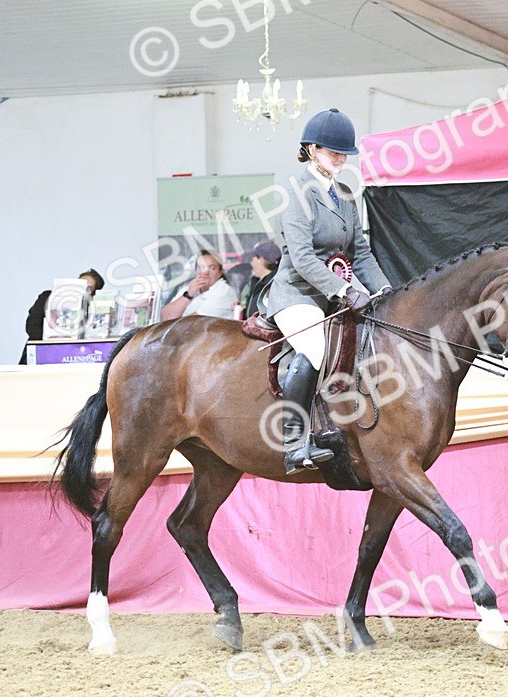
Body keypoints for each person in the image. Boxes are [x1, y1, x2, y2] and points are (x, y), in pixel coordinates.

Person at [267, 107, 393, 474]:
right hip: (298, 293)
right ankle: (293, 441)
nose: (340, 159)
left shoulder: (345, 196)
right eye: (332, 151)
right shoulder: (295, 193)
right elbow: (303, 259)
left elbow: (362, 253)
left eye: (344, 153)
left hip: (337, 293)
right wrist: (344, 291)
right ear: (310, 148)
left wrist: (382, 288)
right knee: (315, 347)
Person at [19, 269, 104, 365]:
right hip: (40, 353)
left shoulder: (91, 309)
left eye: (88, 288)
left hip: (72, 358)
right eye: (80, 283)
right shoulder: (47, 297)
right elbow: (32, 325)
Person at [161, 250, 239, 321]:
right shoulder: (190, 289)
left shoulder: (223, 291)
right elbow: (166, 317)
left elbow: (192, 323)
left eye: (212, 268)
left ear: (220, 272)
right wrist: (188, 295)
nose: (205, 272)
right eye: (201, 267)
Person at [239, 239, 281, 318]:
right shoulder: (258, 282)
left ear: (260, 260)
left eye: (252, 259)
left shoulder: (274, 286)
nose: (251, 263)